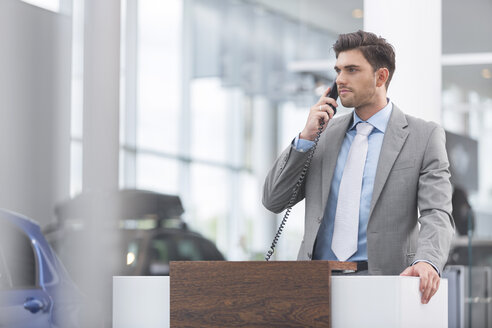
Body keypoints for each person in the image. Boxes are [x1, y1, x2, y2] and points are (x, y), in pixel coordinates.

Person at [262, 30, 454, 304]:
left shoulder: (423, 136)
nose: (340, 79)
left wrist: (428, 261)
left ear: (381, 77)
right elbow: (273, 200)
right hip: (314, 285)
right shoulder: (321, 133)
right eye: (338, 70)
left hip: (386, 284)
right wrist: (305, 138)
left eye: (352, 70)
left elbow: (437, 212)